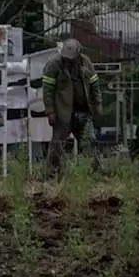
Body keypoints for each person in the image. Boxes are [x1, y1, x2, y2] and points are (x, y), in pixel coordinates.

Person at [42, 38, 102, 176]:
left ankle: (95, 173)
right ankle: (52, 174)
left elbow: (95, 86)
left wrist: (98, 104)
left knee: (90, 142)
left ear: (78, 54)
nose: (68, 60)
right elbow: (47, 90)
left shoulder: (86, 63)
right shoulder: (54, 65)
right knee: (56, 144)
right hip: (63, 112)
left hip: (84, 112)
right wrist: (50, 111)